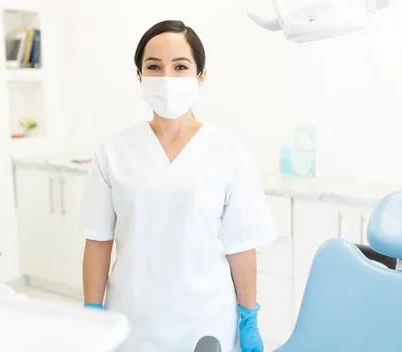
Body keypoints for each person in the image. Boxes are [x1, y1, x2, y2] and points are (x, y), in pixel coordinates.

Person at [80, 20, 277, 352]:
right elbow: (98, 241)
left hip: (204, 316)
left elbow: (241, 245)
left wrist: (249, 318)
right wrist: (91, 312)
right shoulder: (112, 152)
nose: (166, 77)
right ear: (140, 76)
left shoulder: (228, 151)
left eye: (180, 66)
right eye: (154, 66)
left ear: (201, 75)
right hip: (132, 316)